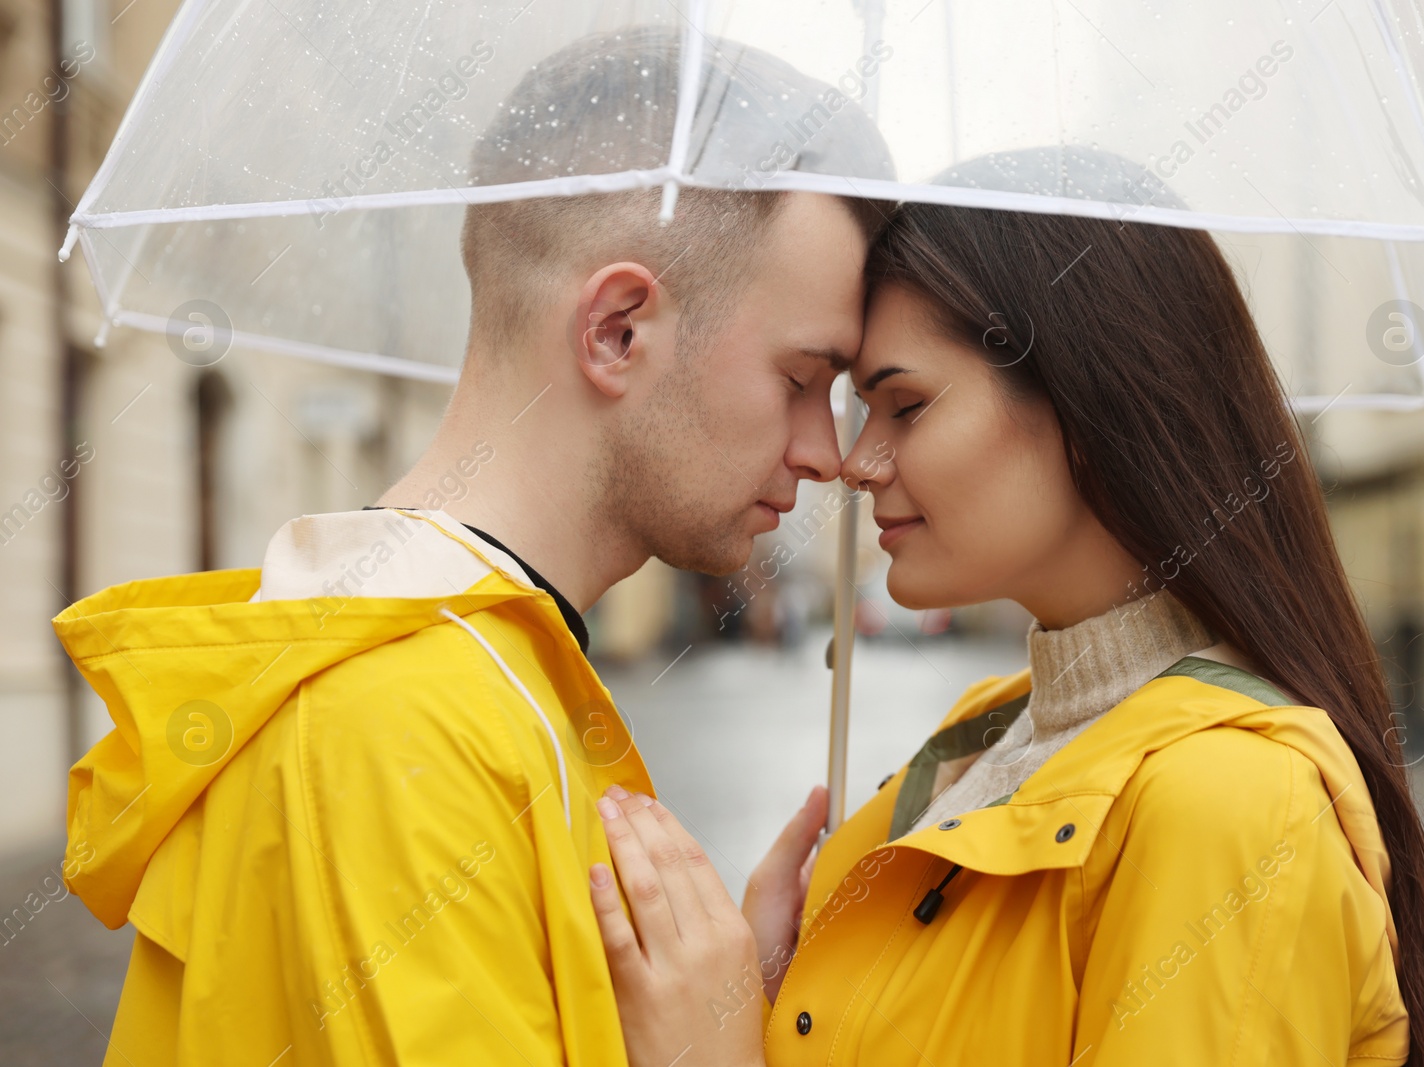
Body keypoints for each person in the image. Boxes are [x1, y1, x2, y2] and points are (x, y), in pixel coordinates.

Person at [52, 27, 890, 1066]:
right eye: (802, 378)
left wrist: (734, 994)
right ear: (617, 329)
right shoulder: (401, 727)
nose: (828, 453)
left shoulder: (482, 674)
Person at [586, 151, 1424, 1067]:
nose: (857, 463)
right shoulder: (982, 736)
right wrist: (790, 991)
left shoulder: (1234, 803)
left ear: (1088, 406)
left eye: (904, 404)